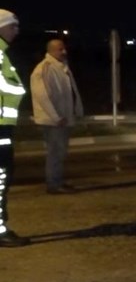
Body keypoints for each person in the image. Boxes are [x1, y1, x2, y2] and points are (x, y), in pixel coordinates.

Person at [31, 38, 84, 194]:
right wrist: (56, 117)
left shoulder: (62, 68)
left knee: (60, 152)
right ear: (51, 51)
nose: (64, 52)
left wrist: (76, 111)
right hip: (54, 121)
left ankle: (58, 181)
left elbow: (71, 92)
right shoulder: (44, 69)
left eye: (64, 48)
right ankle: (53, 184)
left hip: (63, 118)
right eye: (60, 49)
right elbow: (42, 96)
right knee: (55, 152)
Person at [0, 9, 30, 246]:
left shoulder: (3, 54)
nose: (16, 30)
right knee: (0, 178)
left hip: (4, 127)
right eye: (12, 26)